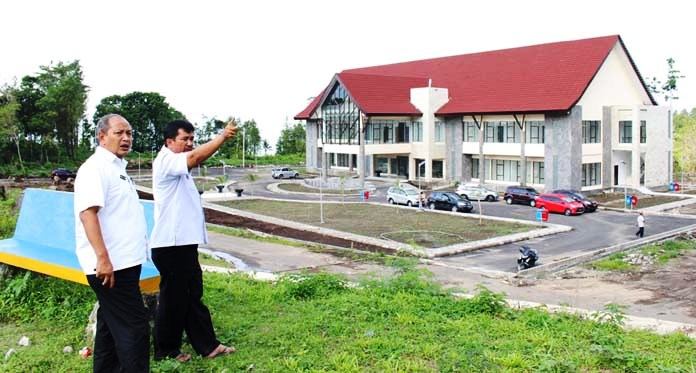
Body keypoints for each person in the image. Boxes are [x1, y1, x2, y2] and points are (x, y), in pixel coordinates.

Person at [150, 119, 238, 362]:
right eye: (184, 139)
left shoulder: (178, 165)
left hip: (182, 244)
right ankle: (166, 351)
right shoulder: (167, 161)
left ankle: (207, 345)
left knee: (191, 296)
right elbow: (195, 158)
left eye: (192, 139)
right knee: (173, 300)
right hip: (170, 245)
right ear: (169, 142)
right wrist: (222, 137)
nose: (190, 144)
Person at [74, 114, 150, 372]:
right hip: (111, 266)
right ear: (102, 136)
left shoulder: (116, 167)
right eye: (119, 133)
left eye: (129, 133)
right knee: (134, 328)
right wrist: (102, 258)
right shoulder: (95, 168)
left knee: (109, 326)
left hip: (124, 262)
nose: (126, 138)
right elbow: (88, 214)